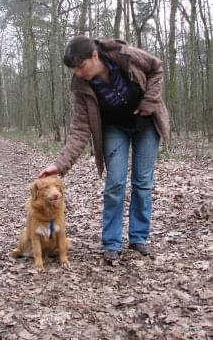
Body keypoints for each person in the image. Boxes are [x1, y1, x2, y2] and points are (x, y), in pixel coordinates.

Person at [38, 36, 169, 261]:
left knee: (143, 182)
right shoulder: (81, 87)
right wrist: (60, 164)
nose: (78, 73)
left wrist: (150, 102)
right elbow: (80, 129)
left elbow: (156, 67)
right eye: (74, 69)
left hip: (147, 124)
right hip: (114, 128)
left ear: (95, 56)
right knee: (115, 182)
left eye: (81, 66)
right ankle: (112, 243)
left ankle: (138, 238)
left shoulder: (124, 54)